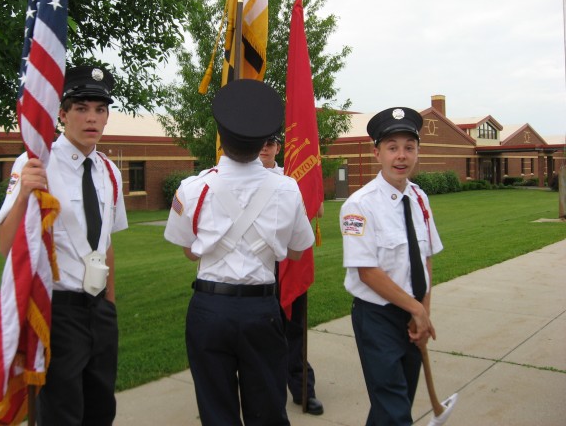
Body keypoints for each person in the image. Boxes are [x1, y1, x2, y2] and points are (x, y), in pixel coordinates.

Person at [164, 79, 316, 426]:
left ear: (220, 134)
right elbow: (296, 251)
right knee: (267, 411)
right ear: (266, 141)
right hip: (261, 309)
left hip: (209, 308)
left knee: (217, 412)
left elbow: (189, 251)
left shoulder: (193, 188)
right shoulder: (287, 189)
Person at [0, 65, 128, 425]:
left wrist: (109, 308)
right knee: (62, 414)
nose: (92, 118)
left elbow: (107, 244)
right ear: (61, 113)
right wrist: (24, 192)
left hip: (99, 312)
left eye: (100, 109)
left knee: (101, 410)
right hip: (57, 313)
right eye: (82, 108)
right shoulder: (36, 163)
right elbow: (7, 246)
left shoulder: (109, 170)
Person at [339, 107, 443, 426]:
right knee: (395, 408)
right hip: (378, 318)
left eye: (409, 147)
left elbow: (425, 260)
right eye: (392, 147)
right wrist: (416, 309)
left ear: (417, 153)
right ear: (377, 153)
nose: (401, 156)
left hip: (412, 315)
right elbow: (366, 272)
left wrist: (422, 314)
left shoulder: (420, 198)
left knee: (393, 407)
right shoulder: (358, 205)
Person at [259, 135, 324, 416]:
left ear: (278, 147)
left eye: (271, 142)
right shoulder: (241, 176)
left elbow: (316, 208)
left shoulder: (292, 176)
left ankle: (302, 388)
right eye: (260, 142)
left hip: (289, 260)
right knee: (259, 332)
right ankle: (263, 392)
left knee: (294, 328)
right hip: (256, 266)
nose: (265, 147)